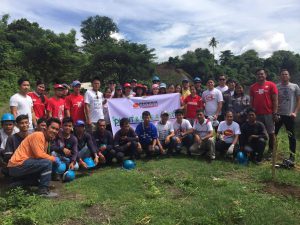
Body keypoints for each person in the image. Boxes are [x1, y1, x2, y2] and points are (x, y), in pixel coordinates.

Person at [7, 117, 61, 197]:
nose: (54, 131)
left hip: (18, 166)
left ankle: (16, 185)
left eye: (57, 129)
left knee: (36, 180)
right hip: (17, 165)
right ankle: (43, 192)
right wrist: (54, 159)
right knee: (47, 163)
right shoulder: (38, 135)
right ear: (46, 127)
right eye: (52, 128)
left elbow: (40, 157)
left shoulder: (46, 140)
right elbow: (39, 154)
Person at [250, 68, 278, 159]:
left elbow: (275, 100)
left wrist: (275, 113)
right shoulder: (253, 87)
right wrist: (251, 112)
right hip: (257, 114)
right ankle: (258, 150)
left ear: (265, 75)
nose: (260, 75)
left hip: (269, 113)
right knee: (258, 133)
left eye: (262, 74)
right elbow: (251, 101)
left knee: (271, 133)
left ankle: (271, 151)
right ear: (256, 76)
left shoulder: (271, 85)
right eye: (258, 74)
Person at [275, 69, 300, 161]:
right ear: (280, 76)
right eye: (282, 74)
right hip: (278, 115)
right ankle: (273, 153)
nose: (284, 75)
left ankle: (292, 156)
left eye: (286, 74)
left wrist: (295, 112)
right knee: (274, 134)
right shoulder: (276, 86)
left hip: (289, 115)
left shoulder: (295, 86)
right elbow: (274, 100)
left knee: (291, 136)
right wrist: (275, 113)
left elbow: (298, 100)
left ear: (289, 76)